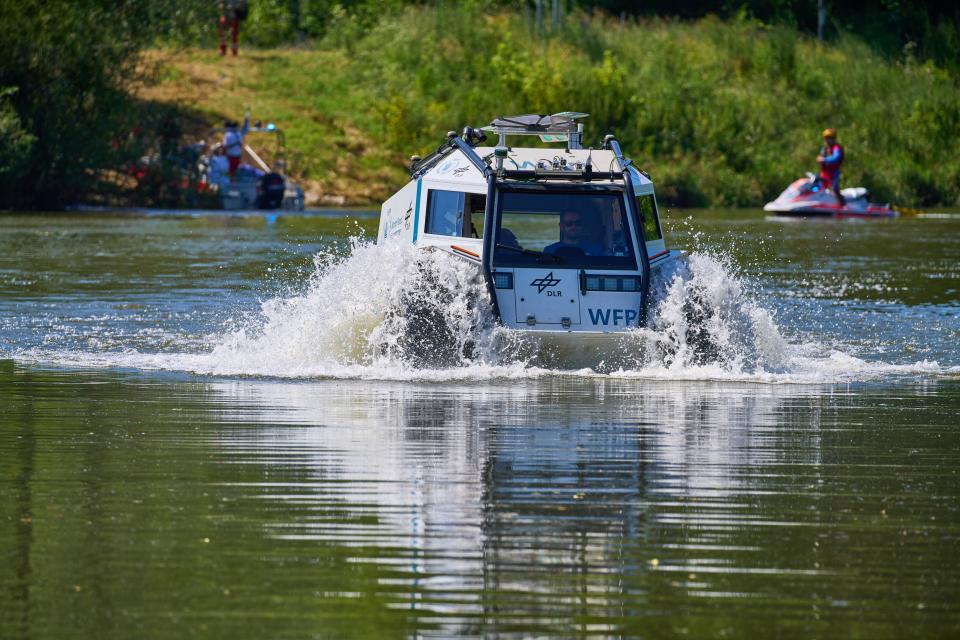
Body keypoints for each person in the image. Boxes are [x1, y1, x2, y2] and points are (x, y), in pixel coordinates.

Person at [817, 128, 845, 205]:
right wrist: (820, 159)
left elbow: (836, 158)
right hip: (824, 172)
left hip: (833, 173)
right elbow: (820, 157)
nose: (827, 140)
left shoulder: (836, 148)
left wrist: (824, 159)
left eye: (829, 138)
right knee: (820, 189)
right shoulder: (825, 148)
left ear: (833, 139)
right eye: (826, 138)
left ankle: (842, 205)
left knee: (834, 189)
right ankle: (822, 203)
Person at [222, 110, 250, 181]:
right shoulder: (229, 134)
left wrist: (247, 116)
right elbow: (225, 146)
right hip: (231, 156)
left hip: (235, 156)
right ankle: (231, 182)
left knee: (234, 172)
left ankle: (233, 183)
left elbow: (245, 128)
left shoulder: (236, 134)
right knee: (231, 172)